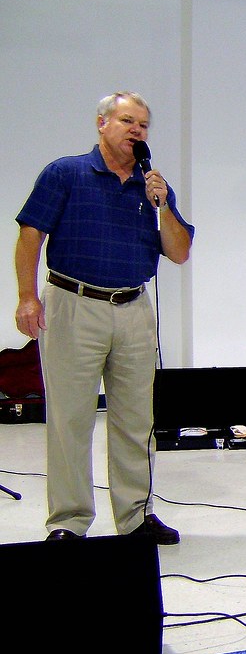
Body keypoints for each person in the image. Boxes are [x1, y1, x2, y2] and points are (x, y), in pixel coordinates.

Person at [14, 91, 193, 543]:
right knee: (71, 418)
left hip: (134, 307)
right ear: (102, 124)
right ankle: (69, 521)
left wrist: (164, 205)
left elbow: (179, 252)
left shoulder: (153, 185)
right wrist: (26, 298)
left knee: (136, 418)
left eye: (144, 125)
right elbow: (30, 235)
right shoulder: (66, 172)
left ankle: (136, 516)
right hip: (74, 304)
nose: (137, 131)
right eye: (127, 121)